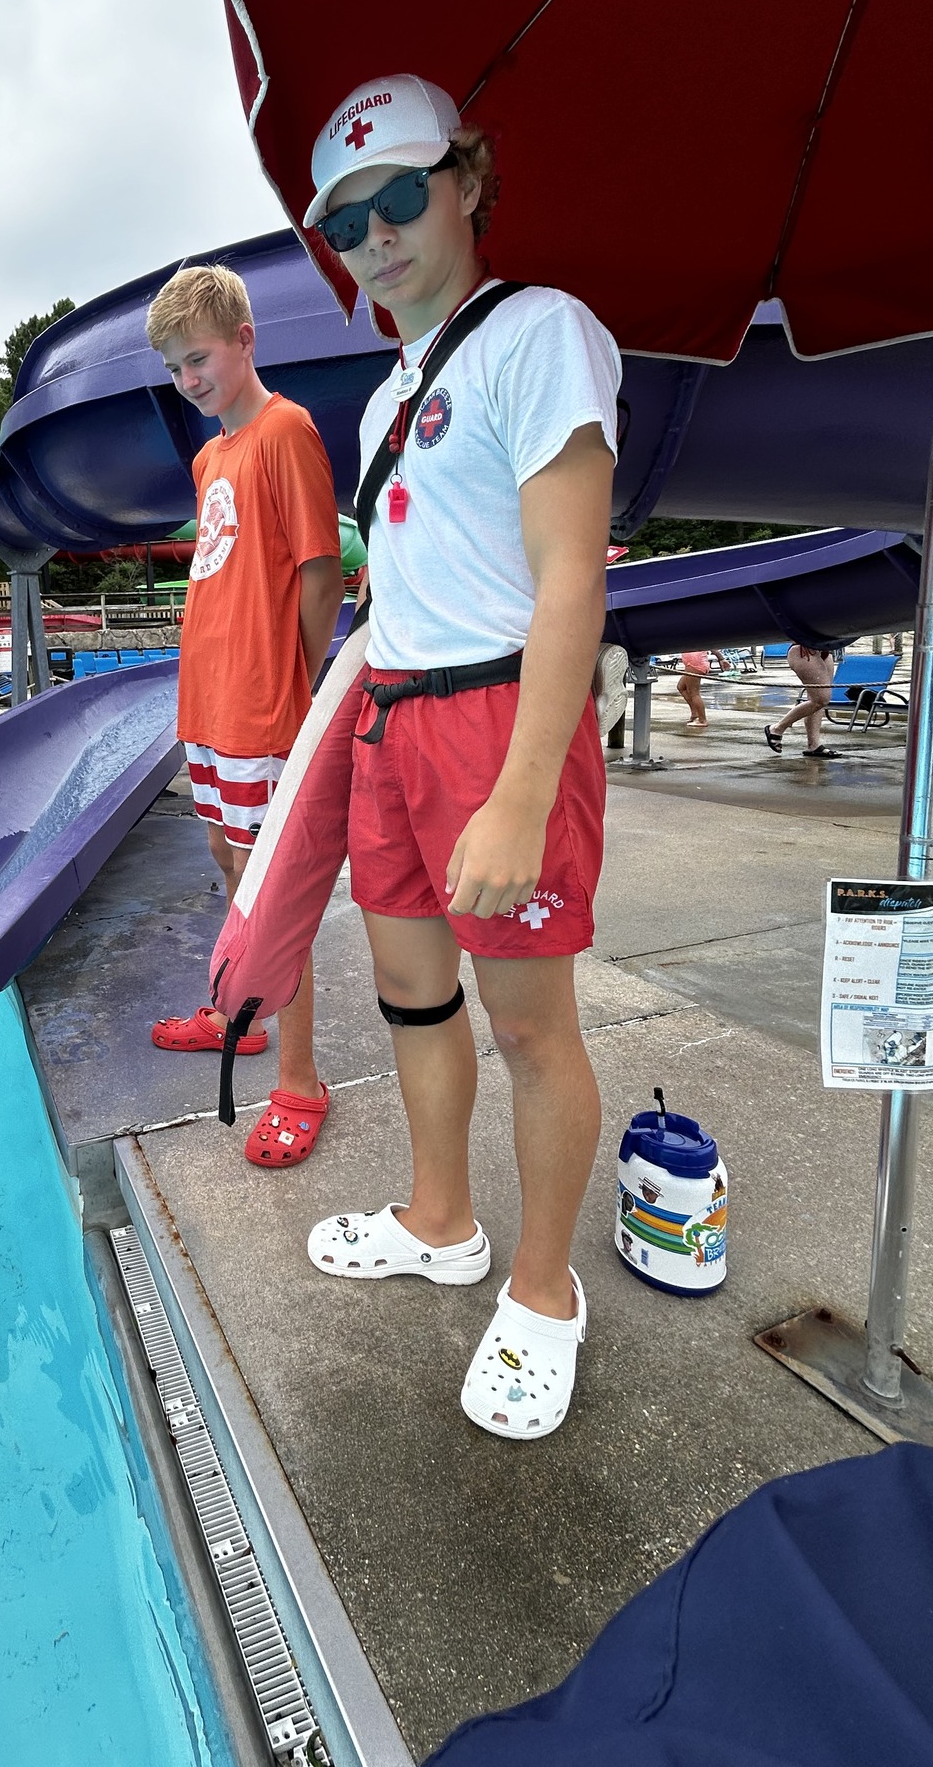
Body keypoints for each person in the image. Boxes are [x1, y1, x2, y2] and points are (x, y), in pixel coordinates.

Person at [299, 74, 619, 1440]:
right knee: (412, 1000)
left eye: (399, 195)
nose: (375, 234)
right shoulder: (381, 406)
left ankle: (545, 1292)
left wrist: (523, 793)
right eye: (346, 217)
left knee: (532, 1027)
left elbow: (569, 583)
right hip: (395, 717)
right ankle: (443, 1221)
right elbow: (400, 587)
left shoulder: (539, 334)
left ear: (468, 183)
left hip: (499, 722)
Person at [146, 264, 345, 1166]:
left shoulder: (284, 431)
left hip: (266, 709)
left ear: (244, 342)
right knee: (231, 865)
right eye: (176, 367)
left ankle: (299, 1082)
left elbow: (318, 570)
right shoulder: (207, 458)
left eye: (200, 358)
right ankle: (238, 1012)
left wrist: (297, 689)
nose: (189, 380)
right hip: (209, 704)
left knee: (278, 903)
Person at [764, 643, 843, 758]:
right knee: (821, 700)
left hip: (825, 651)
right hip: (804, 650)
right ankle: (777, 728)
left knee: (817, 701)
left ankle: (814, 745)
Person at [677, 650, 710, 729]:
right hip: (692, 663)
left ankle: (702, 720)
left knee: (694, 693)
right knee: (681, 687)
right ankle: (695, 713)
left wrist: (721, 658)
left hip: (695, 664)